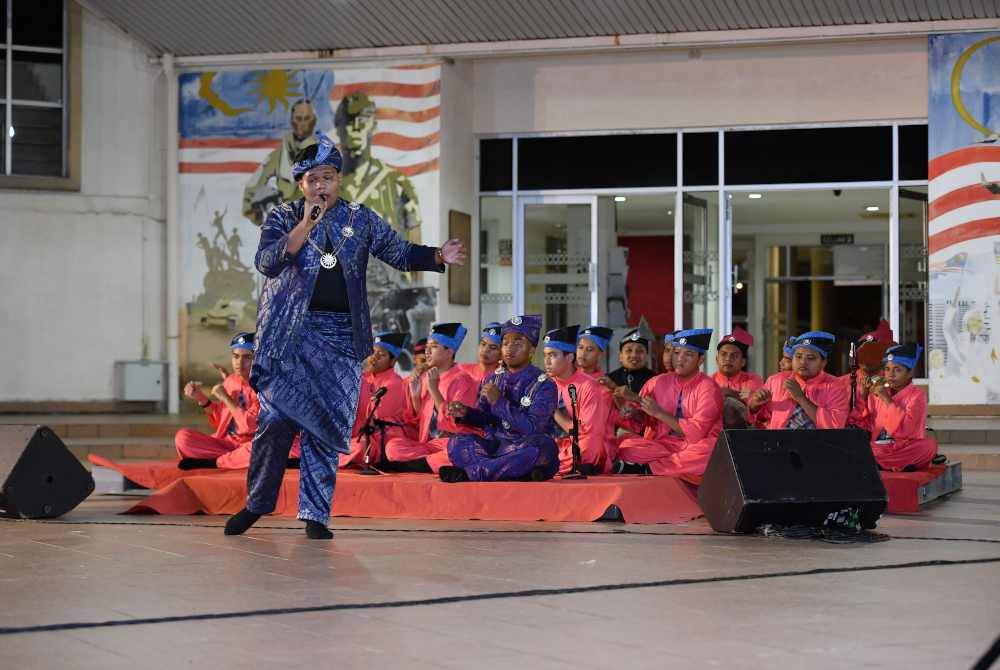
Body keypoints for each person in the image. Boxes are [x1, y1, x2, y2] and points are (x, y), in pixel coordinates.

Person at [224, 131, 466, 539]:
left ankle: (315, 515)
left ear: (339, 179)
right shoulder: (284, 216)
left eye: (328, 177)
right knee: (276, 421)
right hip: (289, 335)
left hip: (340, 336)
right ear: (300, 183)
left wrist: (437, 256)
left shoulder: (361, 217)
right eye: (313, 179)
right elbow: (267, 262)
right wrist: (306, 222)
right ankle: (256, 504)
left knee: (324, 425)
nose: (321, 186)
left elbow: (398, 252)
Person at [441, 315, 559, 482]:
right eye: (505, 343)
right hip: (495, 446)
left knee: (540, 447)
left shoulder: (545, 384)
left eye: (518, 344)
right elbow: (486, 420)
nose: (510, 349)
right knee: (457, 443)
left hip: (523, 445)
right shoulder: (492, 379)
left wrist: (499, 402)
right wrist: (466, 414)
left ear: (531, 351)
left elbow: (532, 428)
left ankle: (473, 473)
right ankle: (504, 472)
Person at [176, 332, 297, 469]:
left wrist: (226, 398)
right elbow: (222, 421)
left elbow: (249, 426)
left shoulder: (267, 386)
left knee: (270, 444)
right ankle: (238, 461)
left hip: (254, 443)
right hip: (228, 445)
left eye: (247, 357)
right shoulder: (231, 381)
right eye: (236, 356)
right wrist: (201, 398)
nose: (240, 363)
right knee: (183, 438)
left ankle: (219, 462)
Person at [613, 328, 723, 477]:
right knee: (625, 444)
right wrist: (632, 413)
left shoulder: (709, 388)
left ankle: (648, 469)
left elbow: (697, 433)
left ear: (701, 360)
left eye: (688, 354)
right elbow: (640, 424)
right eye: (676, 353)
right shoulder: (656, 382)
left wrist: (659, 413)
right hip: (661, 445)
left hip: (694, 447)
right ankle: (672, 465)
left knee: (712, 450)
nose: (680, 359)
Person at [383, 323, 479, 473]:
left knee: (460, 453)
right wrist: (415, 397)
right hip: (429, 446)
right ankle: (428, 462)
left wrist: (434, 389)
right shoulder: (426, 377)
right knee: (393, 447)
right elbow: (417, 422)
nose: (427, 351)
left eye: (434, 346)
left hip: (451, 443)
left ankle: (423, 463)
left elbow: (457, 423)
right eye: (427, 346)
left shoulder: (462, 380)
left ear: (449, 351)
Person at [542, 325, 616, 475]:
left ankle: (546, 467)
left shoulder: (589, 387)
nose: (547, 361)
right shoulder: (543, 383)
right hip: (551, 444)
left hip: (579, 445)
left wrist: (555, 413)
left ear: (569, 357)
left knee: (591, 445)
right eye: (545, 355)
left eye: (553, 355)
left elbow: (585, 433)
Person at [339, 332, 413, 470]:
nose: (374, 357)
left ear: (393, 361)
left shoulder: (394, 383)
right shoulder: (364, 378)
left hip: (381, 440)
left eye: (382, 355)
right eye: (373, 352)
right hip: (357, 437)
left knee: (359, 447)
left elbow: (373, 417)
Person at [858, 344, 938, 471]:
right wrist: (863, 395)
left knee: (928, 446)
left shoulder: (917, 396)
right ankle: (897, 464)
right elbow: (864, 424)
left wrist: (887, 400)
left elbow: (906, 431)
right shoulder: (878, 392)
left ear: (910, 373)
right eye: (887, 369)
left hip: (905, 447)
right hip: (880, 448)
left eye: (897, 370)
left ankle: (884, 463)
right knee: (863, 448)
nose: (891, 375)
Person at [748, 331, 849, 430]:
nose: (803, 362)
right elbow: (760, 419)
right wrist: (754, 405)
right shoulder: (776, 380)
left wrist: (801, 398)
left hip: (818, 445)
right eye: (798, 356)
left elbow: (835, 425)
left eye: (810, 358)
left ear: (823, 362)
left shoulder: (836, 386)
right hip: (779, 444)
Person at [242, 99, 318, 226]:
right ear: (292, 121)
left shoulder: (324, 152)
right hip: (287, 222)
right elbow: (256, 181)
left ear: (313, 121)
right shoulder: (280, 155)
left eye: (307, 118)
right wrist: (249, 207)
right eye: (298, 118)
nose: (302, 123)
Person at [841, 319, 895, 429]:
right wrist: (863, 397)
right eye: (864, 351)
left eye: (874, 351)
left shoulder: (895, 383)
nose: (868, 356)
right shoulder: (841, 383)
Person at [713, 327, 764, 429]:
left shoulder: (754, 380)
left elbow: (760, 416)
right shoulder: (708, 382)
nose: (728, 359)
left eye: (734, 355)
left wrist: (730, 394)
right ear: (717, 359)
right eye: (724, 354)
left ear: (743, 362)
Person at [604, 329, 657, 394]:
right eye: (629, 350)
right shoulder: (610, 379)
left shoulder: (656, 380)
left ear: (647, 356)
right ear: (621, 356)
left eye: (640, 351)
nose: (634, 355)